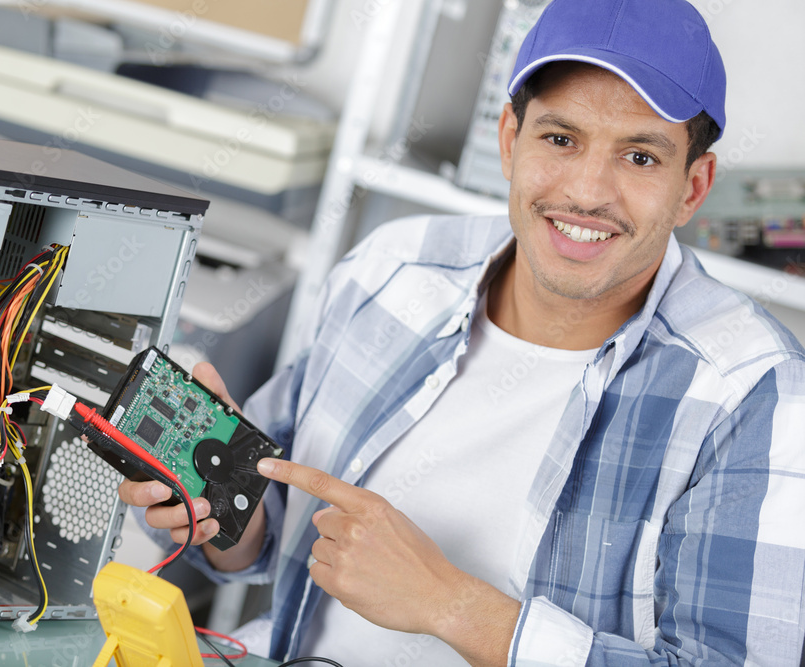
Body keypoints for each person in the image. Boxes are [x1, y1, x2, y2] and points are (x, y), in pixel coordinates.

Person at [120, 0, 805, 664]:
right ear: (511, 139)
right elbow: (262, 538)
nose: (589, 191)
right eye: (560, 139)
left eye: (641, 158)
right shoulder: (392, 269)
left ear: (693, 186)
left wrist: (451, 604)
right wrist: (220, 514)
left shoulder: (754, 396)